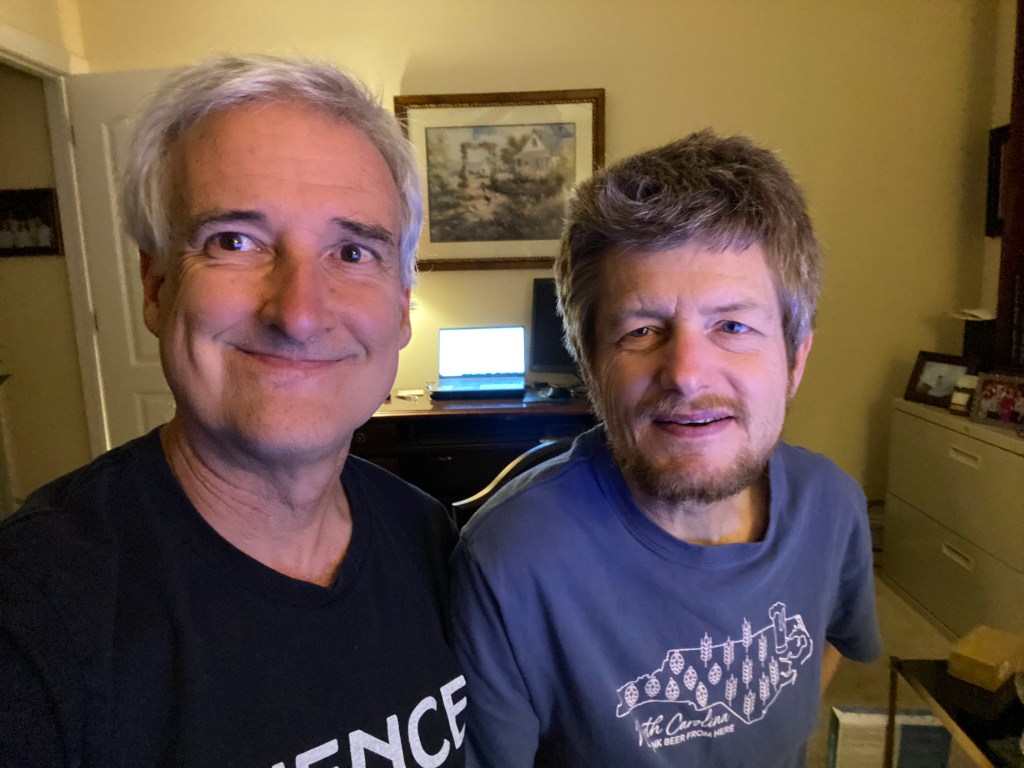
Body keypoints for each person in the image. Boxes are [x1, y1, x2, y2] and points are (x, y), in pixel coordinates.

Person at [0, 55, 466, 767]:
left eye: (352, 252)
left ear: (402, 308)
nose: (299, 314)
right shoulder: (31, 622)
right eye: (234, 242)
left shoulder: (427, 536)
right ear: (156, 287)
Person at [451, 131, 882, 767]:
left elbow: (830, 640)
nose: (686, 374)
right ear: (590, 365)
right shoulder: (509, 562)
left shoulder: (834, 505)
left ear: (795, 359)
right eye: (642, 330)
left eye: (732, 325)